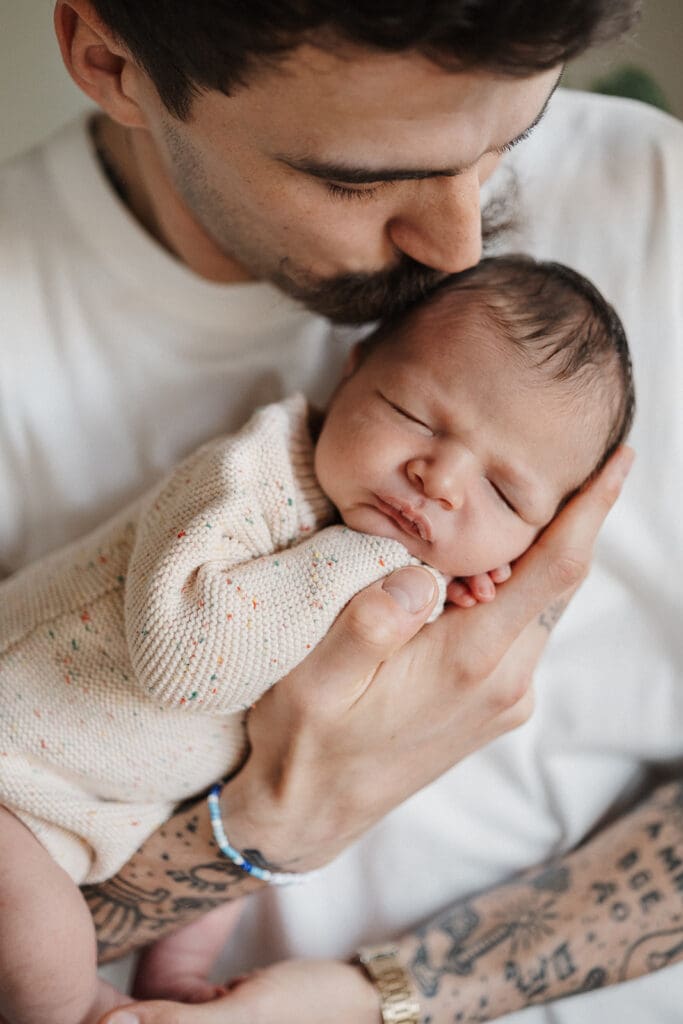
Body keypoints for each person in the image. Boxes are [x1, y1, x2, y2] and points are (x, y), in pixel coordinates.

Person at [0, 1, 681, 1022]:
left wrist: (384, 998)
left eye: (512, 135)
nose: (457, 250)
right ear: (110, 62)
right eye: (356, 176)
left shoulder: (662, 204)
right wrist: (283, 812)